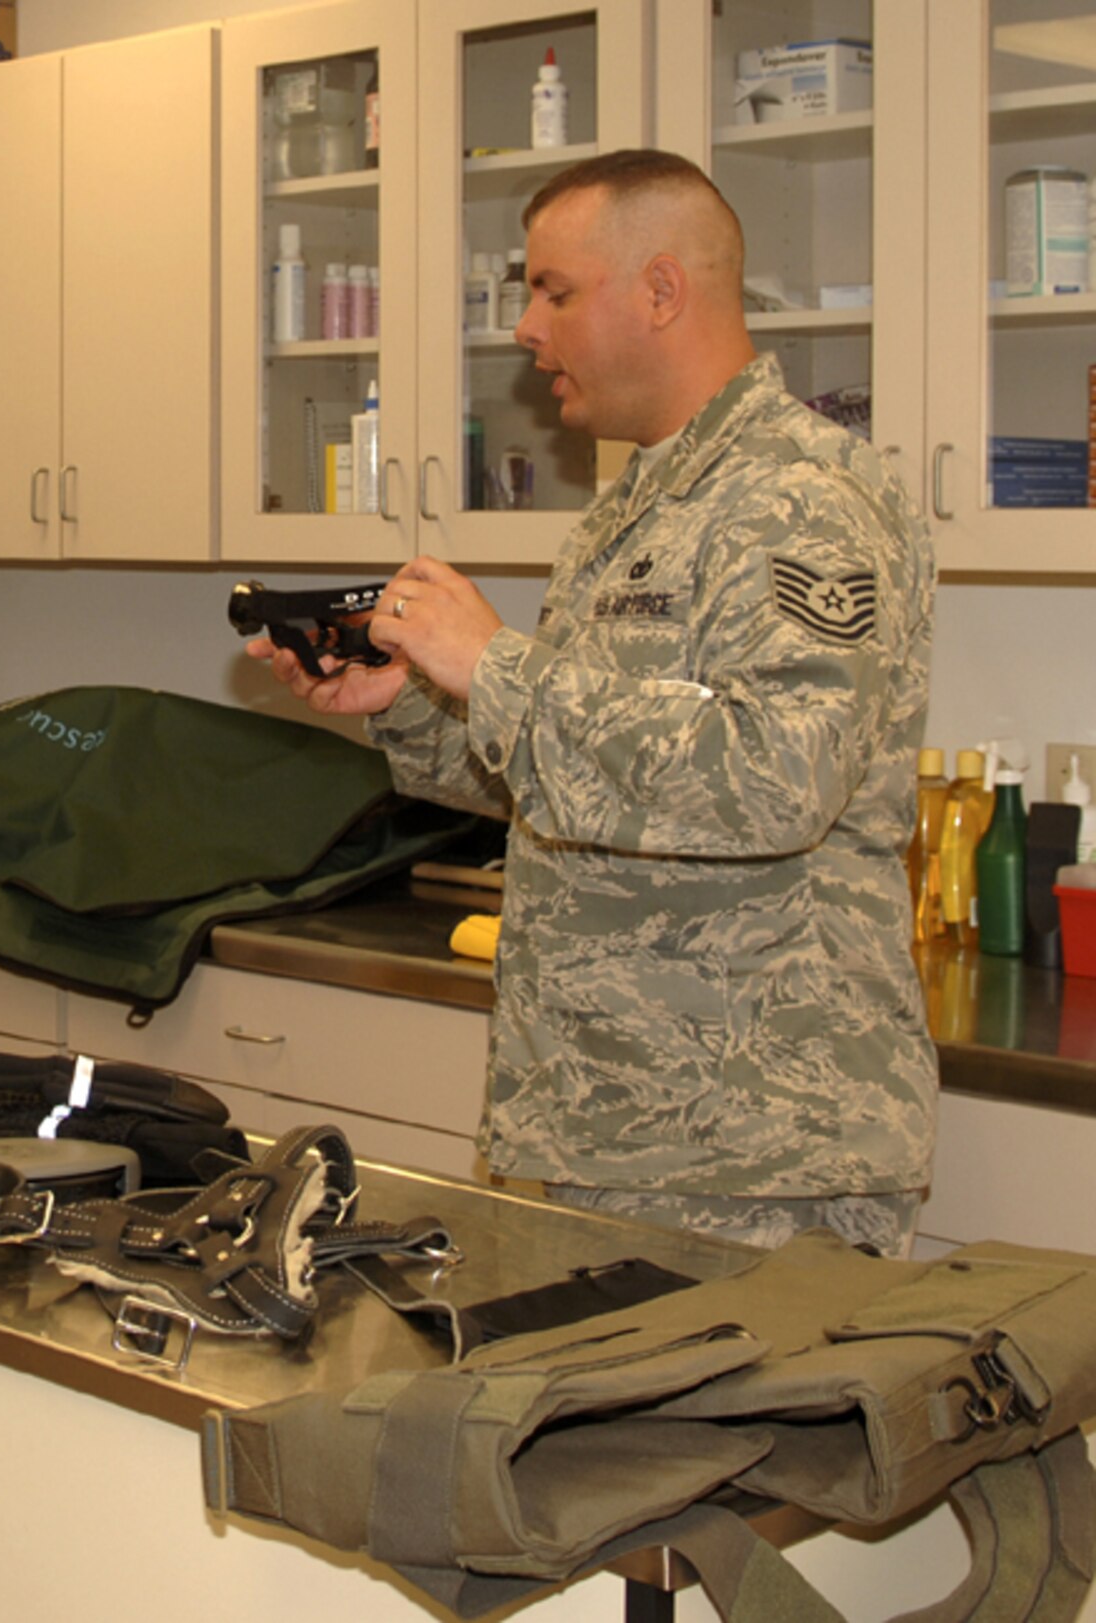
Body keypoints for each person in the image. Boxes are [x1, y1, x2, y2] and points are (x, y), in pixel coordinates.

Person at [251, 149, 936, 1258]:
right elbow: (574, 782)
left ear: (660, 291)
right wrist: (413, 704)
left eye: (553, 291)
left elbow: (774, 781)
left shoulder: (800, 498)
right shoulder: (635, 509)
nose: (524, 326)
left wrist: (494, 668)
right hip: (600, 1125)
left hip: (749, 1157)